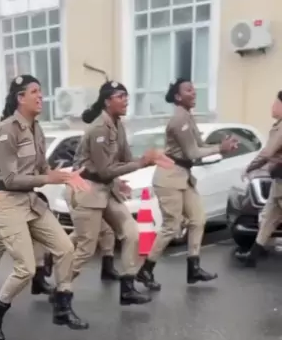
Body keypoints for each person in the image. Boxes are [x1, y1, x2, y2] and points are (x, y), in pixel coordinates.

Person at [0, 74, 89, 340]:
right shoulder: (6, 131)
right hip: (7, 202)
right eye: (34, 92)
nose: (40, 96)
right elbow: (9, 179)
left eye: (41, 91)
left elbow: (42, 169)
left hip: (30, 200)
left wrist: (65, 175)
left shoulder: (36, 129)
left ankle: (62, 306)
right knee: (25, 269)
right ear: (20, 98)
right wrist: (49, 179)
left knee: (65, 248)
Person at [70, 81, 173, 304]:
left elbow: (124, 160)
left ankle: (127, 288)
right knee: (86, 248)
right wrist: (142, 163)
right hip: (88, 190)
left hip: (106, 189)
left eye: (126, 96)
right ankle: (61, 287)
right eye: (120, 96)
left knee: (132, 233)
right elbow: (104, 170)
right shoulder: (99, 128)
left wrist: (149, 158)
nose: (126, 100)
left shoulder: (118, 125)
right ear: (108, 101)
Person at [137, 78, 237, 288]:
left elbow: (199, 146)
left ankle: (194, 268)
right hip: (169, 177)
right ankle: (145, 270)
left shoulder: (188, 117)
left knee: (198, 219)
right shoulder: (178, 120)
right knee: (171, 226)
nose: (194, 92)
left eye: (194, 89)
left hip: (183, 176)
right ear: (177, 96)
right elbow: (192, 153)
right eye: (188, 90)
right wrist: (219, 148)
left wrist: (222, 147)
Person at [235, 91, 282, 266]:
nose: (272, 107)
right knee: (268, 217)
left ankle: (252, 255)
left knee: (269, 216)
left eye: (275, 103)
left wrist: (250, 167)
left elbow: (267, 153)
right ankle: (252, 256)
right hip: (278, 179)